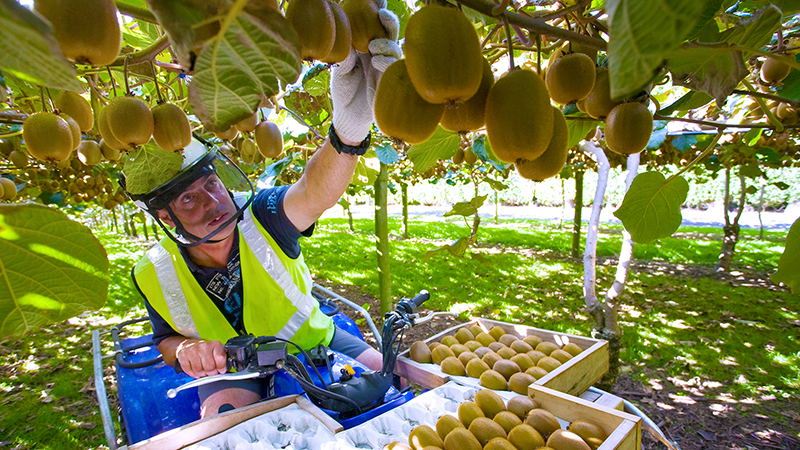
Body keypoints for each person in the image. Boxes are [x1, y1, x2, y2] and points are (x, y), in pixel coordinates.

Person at [122, 7, 402, 418]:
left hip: (315, 342)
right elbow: (164, 338)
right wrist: (186, 349)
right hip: (232, 368)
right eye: (188, 200)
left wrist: (348, 134)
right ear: (166, 218)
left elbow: (313, 193)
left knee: (393, 380)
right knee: (223, 420)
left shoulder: (261, 215)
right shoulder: (153, 270)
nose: (212, 202)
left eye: (211, 185)